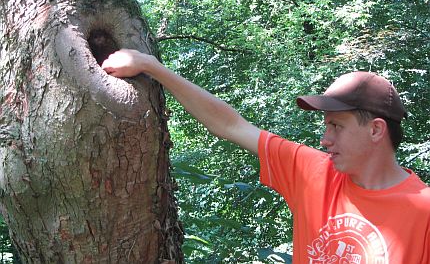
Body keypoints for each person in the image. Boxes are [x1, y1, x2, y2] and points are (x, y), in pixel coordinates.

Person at [102, 49, 430, 263]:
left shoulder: (423, 211)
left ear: (375, 130)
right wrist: (151, 67)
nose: (324, 138)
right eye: (325, 126)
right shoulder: (313, 171)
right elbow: (231, 125)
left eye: (337, 126)